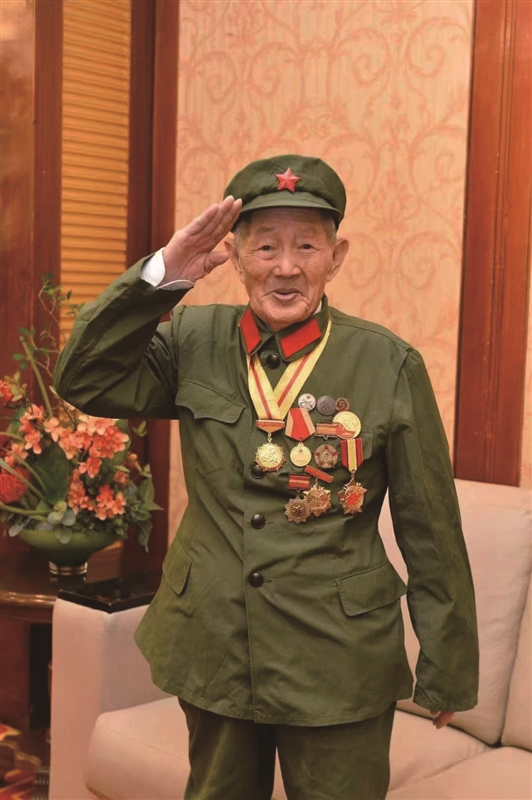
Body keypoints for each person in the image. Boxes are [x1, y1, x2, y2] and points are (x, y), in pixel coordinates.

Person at [54, 154, 479, 800]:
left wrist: (448, 667)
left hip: (337, 655)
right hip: (217, 641)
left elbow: (430, 527)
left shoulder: (387, 363)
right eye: (266, 246)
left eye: (306, 246)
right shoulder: (193, 339)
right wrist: (164, 274)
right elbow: (82, 377)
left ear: (335, 257)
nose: (286, 267)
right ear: (235, 256)